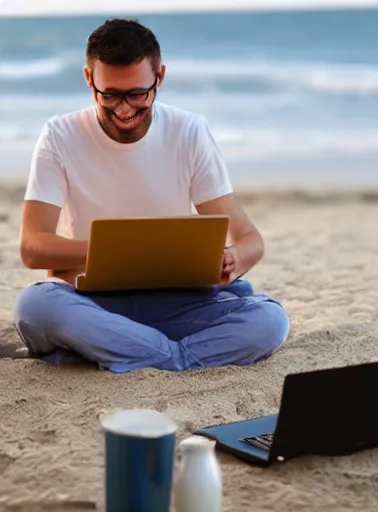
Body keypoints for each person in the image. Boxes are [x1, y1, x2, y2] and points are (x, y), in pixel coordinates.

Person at [12, 18, 289, 373]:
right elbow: (33, 247)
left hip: (176, 303)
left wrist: (233, 260)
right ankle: (177, 357)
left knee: (269, 319)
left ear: (159, 77)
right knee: (35, 306)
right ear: (88, 79)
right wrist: (118, 251)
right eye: (109, 94)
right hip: (94, 304)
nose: (124, 109)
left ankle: (118, 352)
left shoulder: (189, 131)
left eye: (137, 94)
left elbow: (251, 240)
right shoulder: (59, 135)